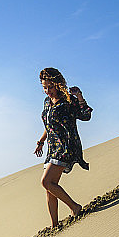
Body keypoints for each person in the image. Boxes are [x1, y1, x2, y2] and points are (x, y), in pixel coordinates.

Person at [34, 67, 93, 228]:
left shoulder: (68, 101)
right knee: (50, 188)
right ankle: (54, 225)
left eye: (50, 87)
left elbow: (85, 115)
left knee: (46, 182)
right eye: (44, 87)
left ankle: (74, 207)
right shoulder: (47, 102)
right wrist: (40, 141)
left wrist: (79, 96)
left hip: (66, 146)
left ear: (58, 85)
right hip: (52, 147)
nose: (47, 91)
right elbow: (49, 125)